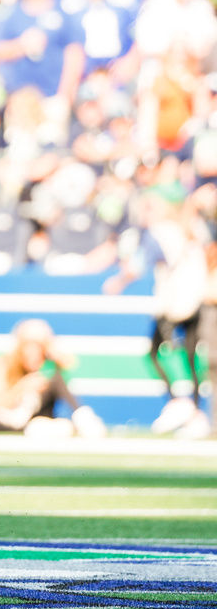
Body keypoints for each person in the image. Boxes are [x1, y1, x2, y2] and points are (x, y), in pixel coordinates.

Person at [104, 182, 210, 435]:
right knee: (191, 355)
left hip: (174, 302)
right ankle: (194, 409)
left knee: (156, 352)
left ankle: (179, 403)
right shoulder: (194, 228)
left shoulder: (161, 231)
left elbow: (143, 262)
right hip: (196, 298)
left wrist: (119, 281)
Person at [0, 319, 106, 438]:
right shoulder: (2, 364)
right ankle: (60, 427)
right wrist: (22, 387)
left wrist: (49, 351)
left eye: (39, 348)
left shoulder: (46, 370)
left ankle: (81, 418)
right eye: (28, 347)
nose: (33, 353)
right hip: (2, 419)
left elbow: (70, 362)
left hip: (32, 420)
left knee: (54, 377)